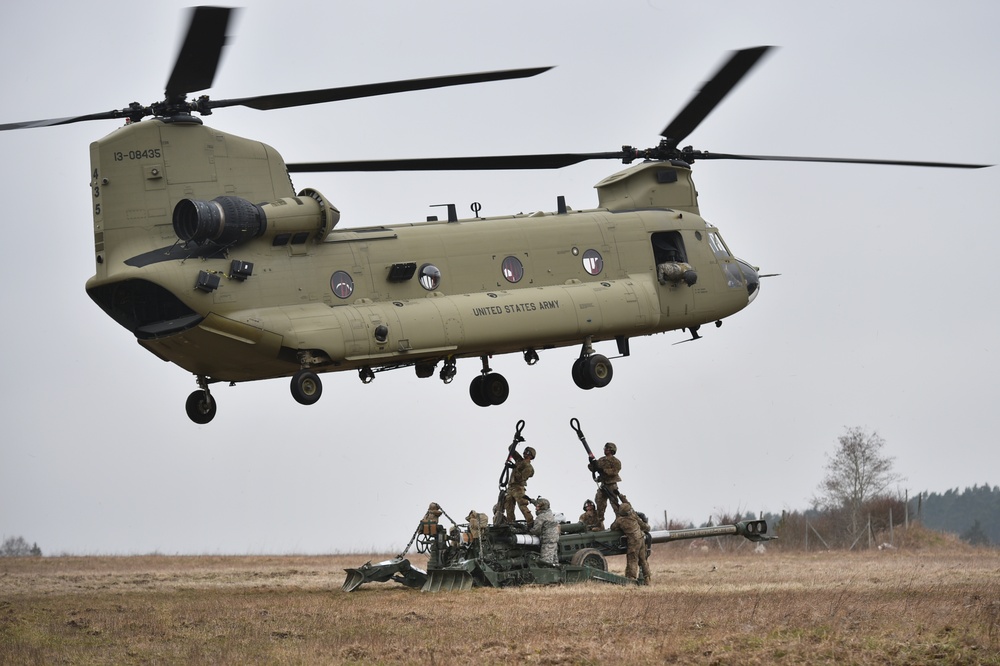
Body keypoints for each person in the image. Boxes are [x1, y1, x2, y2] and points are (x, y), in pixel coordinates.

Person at [610, 501, 652, 584]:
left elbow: (612, 527)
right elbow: (644, 526)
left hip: (633, 542)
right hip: (641, 539)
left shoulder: (620, 520)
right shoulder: (633, 517)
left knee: (632, 560)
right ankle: (647, 579)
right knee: (643, 560)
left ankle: (631, 579)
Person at [590, 442, 622, 526]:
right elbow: (593, 468)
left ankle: (620, 520)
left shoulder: (616, 461)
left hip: (611, 485)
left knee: (614, 503)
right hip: (603, 485)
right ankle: (599, 523)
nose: (605, 450)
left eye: (606, 448)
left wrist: (603, 470)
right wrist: (592, 464)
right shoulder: (602, 460)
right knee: (599, 501)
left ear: (611, 450)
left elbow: (614, 471)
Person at [503, 446, 536, 527]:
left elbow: (521, 478)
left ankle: (530, 523)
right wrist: (516, 440)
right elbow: (511, 449)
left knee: (522, 505)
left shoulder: (528, 467)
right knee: (509, 507)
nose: (525, 453)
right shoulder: (519, 460)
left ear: (531, 456)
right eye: (525, 451)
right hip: (510, 488)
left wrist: (515, 467)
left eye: (527, 452)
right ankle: (511, 523)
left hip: (518, 488)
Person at [530, 498, 560, 566]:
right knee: (554, 560)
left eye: (538, 506)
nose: (536, 508)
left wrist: (529, 531)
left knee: (546, 562)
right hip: (554, 539)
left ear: (542, 507)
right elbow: (543, 504)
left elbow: (536, 531)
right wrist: (532, 501)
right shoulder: (549, 512)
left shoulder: (541, 517)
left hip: (547, 541)